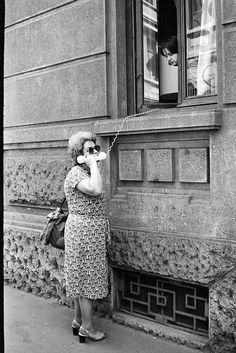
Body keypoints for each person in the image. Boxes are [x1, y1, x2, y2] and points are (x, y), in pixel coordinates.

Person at [64, 130, 110, 343]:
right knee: (86, 279)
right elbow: (95, 190)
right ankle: (88, 328)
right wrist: (93, 165)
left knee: (83, 277)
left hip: (91, 231)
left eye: (96, 149)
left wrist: (92, 166)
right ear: (78, 154)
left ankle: (78, 320)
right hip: (83, 232)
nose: (94, 153)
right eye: (89, 150)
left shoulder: (87, 171)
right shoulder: (77, 173)